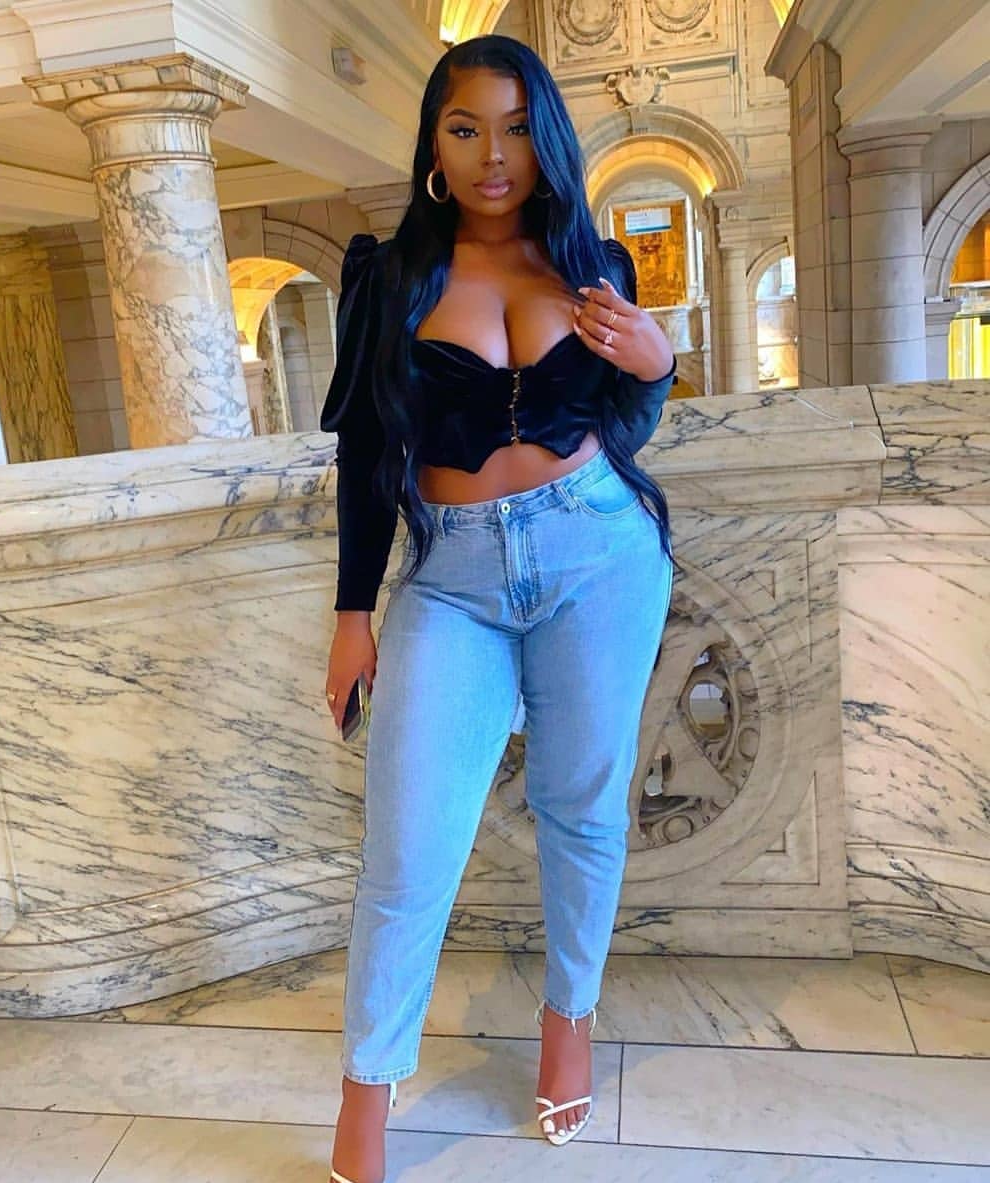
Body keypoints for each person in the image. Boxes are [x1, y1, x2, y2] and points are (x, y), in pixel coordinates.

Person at [320, 33, 677, 1183]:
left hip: (599, 555)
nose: (493, 155)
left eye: (517, 128)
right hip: (452, 580)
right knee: (408, 847)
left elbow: (623, 422)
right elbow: (366, 450)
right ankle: (367, 1088)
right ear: (434, 140)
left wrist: (656, 361)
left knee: (582, 810)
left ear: (546, 139)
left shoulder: (593, 264)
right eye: (466, 127)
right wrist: (353, 612)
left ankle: (569, 1019)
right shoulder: (389, 277)